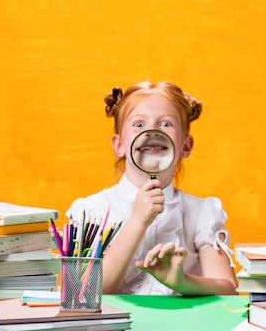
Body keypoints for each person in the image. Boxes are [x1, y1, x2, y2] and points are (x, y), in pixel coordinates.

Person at [65, 80, 238, 296]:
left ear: (186, 146)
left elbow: (228, 289)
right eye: (138, 124)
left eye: (166, 124)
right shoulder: (93, 211)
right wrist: (137, 220)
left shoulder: (202, 213)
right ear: (119, 145)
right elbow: (82, 294)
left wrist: (183, 282)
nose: (152, 131)